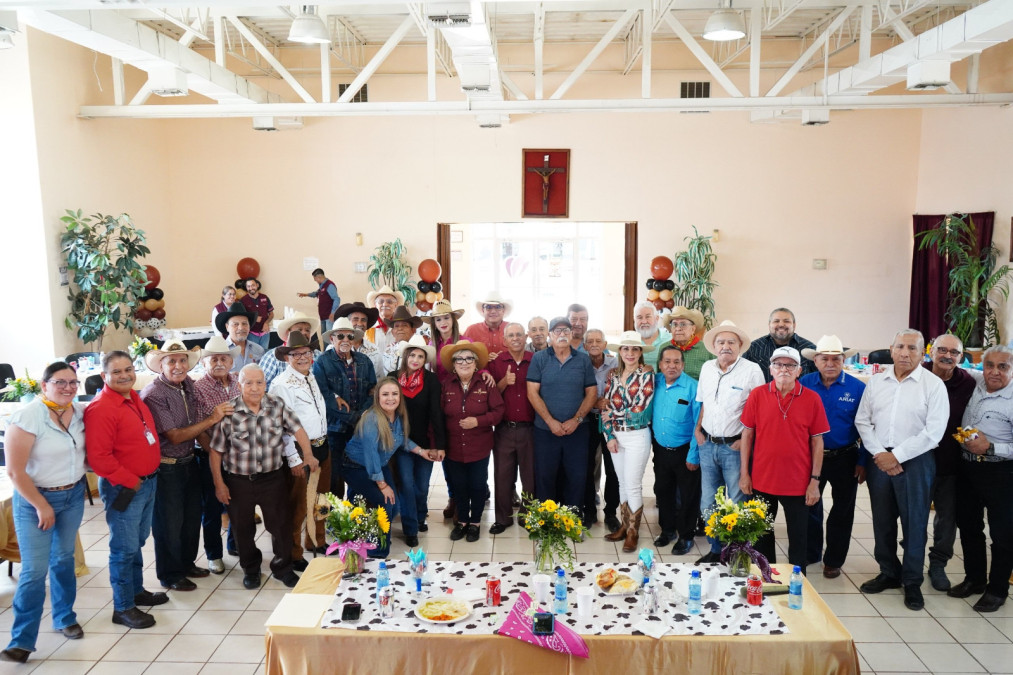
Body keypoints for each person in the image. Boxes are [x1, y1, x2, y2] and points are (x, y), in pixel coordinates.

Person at [0, 362, 88, 663]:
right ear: (44, 384)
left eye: (73, 382)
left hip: (72, 496)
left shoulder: (78, 413)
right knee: (34, 571)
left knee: (63, 560)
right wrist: (41, 505)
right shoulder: (27, 416)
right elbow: (14, 471)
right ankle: (22, 641)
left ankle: (64, 617)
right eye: (60, 382)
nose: (68, 388)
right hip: (34, 501)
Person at [856, 328, 948, 611]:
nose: (905, 353)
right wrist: (881, 453)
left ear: (923, 353)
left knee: (914, 523)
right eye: (900, 347)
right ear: (891, 349)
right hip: (879, 458)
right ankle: (888, 572)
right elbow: (863, 421)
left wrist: (896, 456)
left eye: (912, 348)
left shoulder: (933, 385)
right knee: (882, 521)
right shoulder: (876, 382)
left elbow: (934, 433)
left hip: (916, 462)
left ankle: (911, 581)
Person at [208, 364, 314, 589]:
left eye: (259, 382)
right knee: (242, 528)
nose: (254, 388)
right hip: (238, 481)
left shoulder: (277, 405)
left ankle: (282, 568)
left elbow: (298, 429)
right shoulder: (228, 412)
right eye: (249, 383)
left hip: (272, 478)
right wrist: (219, 483)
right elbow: (216, 451)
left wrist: (309, 456)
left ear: (266, 384)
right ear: (240, 385)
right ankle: (251, 569)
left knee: (280, 525)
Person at [84, 351, 164, 629]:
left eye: (128, 369)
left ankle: (136, 591)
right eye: (116, 372)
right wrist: (131, 481)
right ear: (104, 376)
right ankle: (123, 607)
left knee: (137, 541)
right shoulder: (101, 407)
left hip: (147, 481)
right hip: (125, 487)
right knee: (123, 548)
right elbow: (99, 459)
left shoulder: (133, 397)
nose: (124, 375)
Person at [140, 340, 226, 592]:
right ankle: (170, 574)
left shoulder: (188, 384)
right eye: (171, 361)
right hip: (167, 467)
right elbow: (176, 435)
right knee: (169, 523)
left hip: (189, 462)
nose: (178, 366)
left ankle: (187, 564)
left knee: (190, 519)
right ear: (161, 366)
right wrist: (214, 418)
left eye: (182, 360)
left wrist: (216, 457)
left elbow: (197, 427)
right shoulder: (153, 394)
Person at [739, 347, 829, 571]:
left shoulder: (812, 398)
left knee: (799, 538)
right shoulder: (758, 395)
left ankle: (797, 582)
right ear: (770, 369)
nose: (784, 369)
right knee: (762, 535)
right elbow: (747, 434)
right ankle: (765, 578)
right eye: (779, 364)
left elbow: (818, 443)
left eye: (790, 365)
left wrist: (815, 482)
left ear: (799, 370)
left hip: (798, 482)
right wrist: (744, 474)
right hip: (761, 479)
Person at [694, 320, 765, 563]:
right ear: (714, 346)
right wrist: (698, 430)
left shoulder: (752, 370)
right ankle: (715, 549)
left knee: (736, 502)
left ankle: (735, 553)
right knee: (708, 502)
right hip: (707, 445)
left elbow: (759, 411)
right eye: (721, 342)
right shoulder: (706, 368)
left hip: (735, 447)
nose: (726, 346)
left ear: (740, 346)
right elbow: (704, 402)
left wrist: (745, 443)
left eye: (731, 342)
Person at [950, 344, 1013, 613]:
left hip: (1002, 472)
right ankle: (974, 579)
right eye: (990, 365)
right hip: (967, 469)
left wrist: (991, 448)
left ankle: (997, 590)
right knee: (969, 527)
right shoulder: (975, 381)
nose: (995, 372)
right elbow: (949, 365)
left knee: (1003, 535)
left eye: (1003, 366)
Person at [799, 335, 866, 579]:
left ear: (843, 360)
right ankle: (811, 552)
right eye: (824, 358)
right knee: (810, 506)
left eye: (835, 359)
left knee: (843, 510)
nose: (830, 363)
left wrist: (863, 461)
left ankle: (834, 560)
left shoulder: (858, 388)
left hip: (845, 457)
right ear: (815, 361)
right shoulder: (804, 384)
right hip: (809, 458)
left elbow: (867, 427)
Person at [343, 378, 432, 557]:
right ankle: (379, 552)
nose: (390, 398)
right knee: (386, 502)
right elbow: (371, 454)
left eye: (394, 394)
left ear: (400, 396)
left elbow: (401, 440)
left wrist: (422, 452)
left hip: (377, 466)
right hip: (355, 466)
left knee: (395, 504)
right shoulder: (371, 418)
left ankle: (371, 537)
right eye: (385, 394)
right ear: (377, 397)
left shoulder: (397, 416)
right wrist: (382, 485)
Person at [922, 333, 976, 592]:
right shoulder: (916, 376)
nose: (947, 355)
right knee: (913, 516)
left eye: (954, 352)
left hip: (951, 463)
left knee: (947, 518)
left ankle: (938, 564)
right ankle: (908, 564)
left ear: (961, 357)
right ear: (930, 351)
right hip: (916, 462)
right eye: (942, 349)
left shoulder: (969, 382)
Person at [526, 316, 597, 510]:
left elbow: (591, 393)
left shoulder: (582, 359)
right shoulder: (539, 359)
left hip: (578, 430)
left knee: (577, 476)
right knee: (545, 476)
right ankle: (547, 520)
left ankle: (573, 519)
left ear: (571, 333)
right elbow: (532, 392)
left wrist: (577, 419)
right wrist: (550, 422)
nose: (562, 334)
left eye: (566, 330)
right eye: (557, 331)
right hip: (545, 430)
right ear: (550, 335)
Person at [269, 332, 326, 570]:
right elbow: (282, 427)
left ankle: (316, 541)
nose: (303, 357)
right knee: (298, 505)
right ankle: (293, 553)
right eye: (296, 354)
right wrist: (293, 459)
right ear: (287, 357)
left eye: (307, 353)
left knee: (322, 500)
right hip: (300, 451)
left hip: (322, 444)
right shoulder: (281, 385)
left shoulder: (310, 376)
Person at [441, 341, 505, 542]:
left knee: (477, 485)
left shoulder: (487, 383)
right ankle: (462, 522)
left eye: (469, 358)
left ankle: (475, 522)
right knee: (459, 485)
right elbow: (438, 416)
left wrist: (478, 421)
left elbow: (498, 412)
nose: (464, 362)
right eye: (459, 358)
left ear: (476, 363)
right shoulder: (446, 385)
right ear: (453, 364)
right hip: (453, 447)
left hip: (479, 446)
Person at [600, 331, 656, 552]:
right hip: (616, 435)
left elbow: (639, 410)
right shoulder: (612, 375)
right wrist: (609, 436)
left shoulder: (646, 375)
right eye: (625, 349)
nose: (630, 353)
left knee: (632, 484)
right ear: (619, 352)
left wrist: (613, 416)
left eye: (634, 349)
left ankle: (633, 532)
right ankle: (624, 527)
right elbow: (604, 407)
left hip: (637, 435)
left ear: (640, 352)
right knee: (622, 482)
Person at [313, 317, 377, 502]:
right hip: (335, 429)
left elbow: (373, 391)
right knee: (334, 472)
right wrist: (352, 417)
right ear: (332, 339)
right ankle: (335, 514)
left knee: (358, 470)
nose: (345, 340)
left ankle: (354, 511)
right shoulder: (322, 362)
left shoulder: (365, 361)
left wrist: (360, 416)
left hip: (361, 427)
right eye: (340, 336)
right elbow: (323, 396)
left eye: (350, 336)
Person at [192, 335, 241, 572]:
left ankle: (235, 544)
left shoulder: (237, 382)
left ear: (231, 362)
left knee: (238, 504)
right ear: (204, 363)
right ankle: (214, 555)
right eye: (213, 359)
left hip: (238, 456)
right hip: (209, 456)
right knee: (212, 508)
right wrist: (215, 452)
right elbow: (199, 428)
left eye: (224, 358)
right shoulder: (197, 388)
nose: (219, 363)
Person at [393, 335, 445, 545]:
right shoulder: (392, 377)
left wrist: (439, 444)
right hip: (400, 442)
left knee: (422, 486)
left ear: (425, 360)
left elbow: (436, 413)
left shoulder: (431, 380)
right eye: (412, 355)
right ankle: (410, 528)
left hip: (425, 441)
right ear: (405, 356)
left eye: (420, 356)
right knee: (406, 484)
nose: (415, 359)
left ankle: (420, 515)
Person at [651, 345, 702, 557]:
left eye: (676, 362)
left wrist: (693, 455)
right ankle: (668, 530)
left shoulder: (693, 387)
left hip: (685, 451)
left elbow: (699, 424)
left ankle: (686, 535)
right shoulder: (655, 382)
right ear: (660, 364)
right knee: (663, 491)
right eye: (667, 362)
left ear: (683, 364)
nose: (672, 366)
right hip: (661, 449)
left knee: (689, 496)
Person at [487, 323, 536, 535]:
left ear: (525, 337)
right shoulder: (497, 363)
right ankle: (502, 518)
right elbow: (490, 394)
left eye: (519, 334)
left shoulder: (535, 360)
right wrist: (504, 382)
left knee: (530, 476)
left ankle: (528, 515)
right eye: (510, 335)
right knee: (503, 475)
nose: (515, 338)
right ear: (504, 340)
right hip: (504, 428)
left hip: (531, 428)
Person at [585, 328, 619, 531]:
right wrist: (592, 402)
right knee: (587, 467)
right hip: (588, 421)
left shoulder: (616, 364)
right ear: (584, 346)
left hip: (611, 423)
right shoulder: (580, 364)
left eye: (599, 340)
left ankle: (611, 513)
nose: (595, 344)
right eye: (591, 341)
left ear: (605, 345)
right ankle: (589, 510)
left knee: (612, 468)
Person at [743, 308, 817, 382]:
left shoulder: (809, 349)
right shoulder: (753, 348)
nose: (781, 324)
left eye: (786, 321)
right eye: (776, 321)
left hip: (801, 393)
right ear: (769, 325)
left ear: (794, 325)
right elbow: (743, 375)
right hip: (762, 393)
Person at [258, 311, 321, 389]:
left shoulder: (319, 356)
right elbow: (260, 388)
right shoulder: (272, 357)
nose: (304, 333)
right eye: (299, 330)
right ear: (288, 333)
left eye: (307, 330)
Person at [662, 306, 714, 380]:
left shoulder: (707, 349)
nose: (678, 328)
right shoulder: (664, 348)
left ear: (693, 329)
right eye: (674, 324)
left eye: (683, 324)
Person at [335, 301, 383, 379]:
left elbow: (379, 378)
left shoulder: (374, 350)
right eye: (355, 319)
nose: (360, 324)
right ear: (347, 322)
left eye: (363, 320)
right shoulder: (334, 348)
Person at [422, 299, 465, 384]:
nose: (443, 322)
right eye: (438, 320)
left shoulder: (465, 342)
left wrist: (485, 372)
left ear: (453, 320)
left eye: (446, 318)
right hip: (437, 391)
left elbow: (476, 366)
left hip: (459, 391)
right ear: (434, 324)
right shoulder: (431, 344)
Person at [215, 301, 264, 371]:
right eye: (235, 324)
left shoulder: (259, 350)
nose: (241, 328)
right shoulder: (219, 351)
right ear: (227, 327)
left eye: (244, 324)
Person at [463, 292, 512, 359]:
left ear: (503, 310)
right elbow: (461, 355)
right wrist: (482, 359)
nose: (493, 311)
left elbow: (521, 353)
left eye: (498, 307)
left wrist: (503, 359)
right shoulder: (471, 330)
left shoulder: (513, 329)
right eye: (488, 307)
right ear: (483, 310)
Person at [382, 305, 423, 374]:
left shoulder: (420, 350)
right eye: (397, 326)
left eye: (404, 325)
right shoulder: (388, 351)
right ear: (393, 332)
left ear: (413, 330)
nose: (400, 328)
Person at [364, 285, 405, 354]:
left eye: (389, 302)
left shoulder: (402, 328)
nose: (385, 304)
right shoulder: (367, 328)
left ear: (396, 305)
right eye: (381, 301)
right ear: (375, 305)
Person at [633, 301, 671, 370]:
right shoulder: (628, 342)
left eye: (648, 317)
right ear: (634, 320)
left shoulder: (669, 339)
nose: (644, 321)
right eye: (639, 317)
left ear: (656, 318)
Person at [240, 277, 275, 350]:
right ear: (246, 288)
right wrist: (253, 318)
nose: (251, 288)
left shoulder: (264, 297)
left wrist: (266, 323)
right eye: (248, 286)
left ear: (257, 285)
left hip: (265, 333)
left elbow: (271, 314)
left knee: (264, 353)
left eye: (253, 285)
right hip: (251, 334)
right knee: (253, 356)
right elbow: (241, 318)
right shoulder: (243, 300)